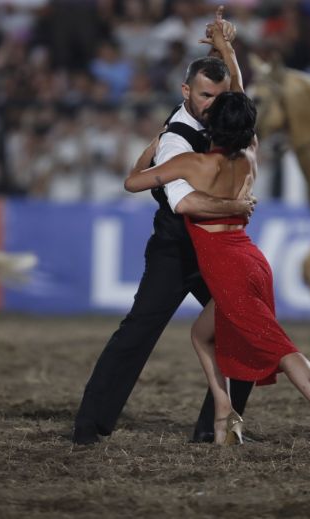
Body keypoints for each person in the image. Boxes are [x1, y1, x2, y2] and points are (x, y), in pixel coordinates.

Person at [124, 23, 310, 447]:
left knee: (280, 349)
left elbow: (133, 182)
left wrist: (156, 142)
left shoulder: (196, 167)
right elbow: (238, 94)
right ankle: (223, 414)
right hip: (252, 259)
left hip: (228, 268)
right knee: (202, 335)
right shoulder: (252, 150)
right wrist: (227, 49)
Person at [72, 9, 256, 446]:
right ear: (186, 92)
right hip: (178, 248)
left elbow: (239, 91)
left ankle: (216, 428)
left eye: (219, 96)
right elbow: (184, 202)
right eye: (207, 96)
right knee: (139, 331)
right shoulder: (176, 139)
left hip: (216, 247)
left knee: (247, 330)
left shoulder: (222, 109)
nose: (215, 105)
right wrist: (236, 204)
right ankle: (89, 425)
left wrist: (225, 46)